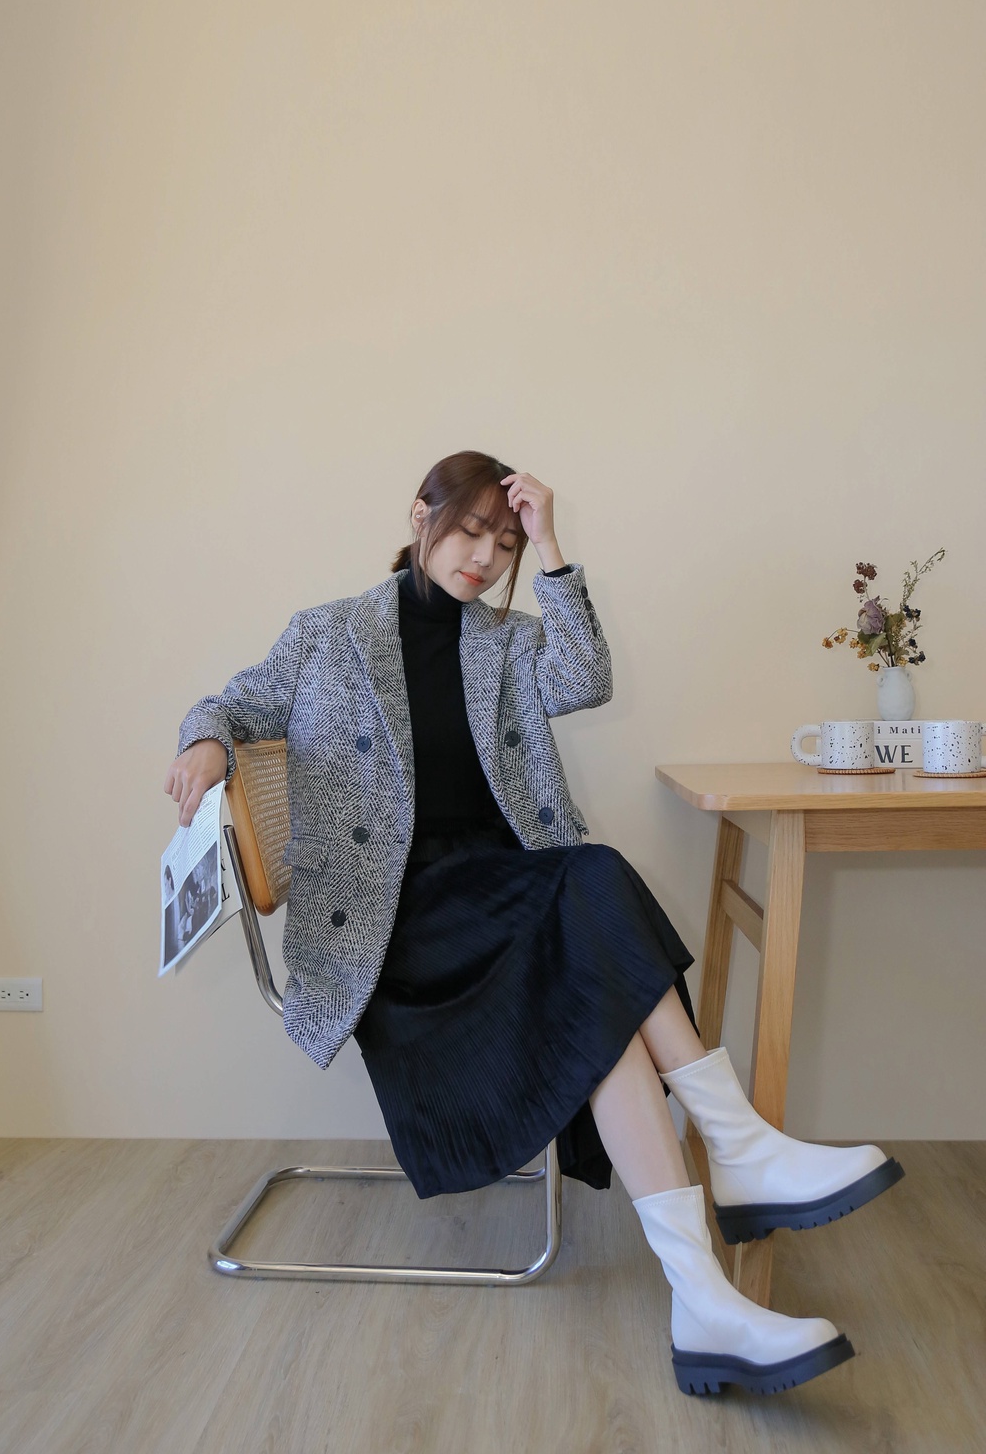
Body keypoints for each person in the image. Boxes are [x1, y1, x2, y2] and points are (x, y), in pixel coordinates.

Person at [164, 450, 904, 1397]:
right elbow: (231, 702)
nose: (484, 557)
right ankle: (737, 1151)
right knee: (592, 886)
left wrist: (553, 545)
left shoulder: (506, 640)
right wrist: (205, 739)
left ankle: (704, 1296)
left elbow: (585, 678)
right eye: (471, 531)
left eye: (505, 543)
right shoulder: (326, 634)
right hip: (398, 930)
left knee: (598, 997)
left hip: (502, 898)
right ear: (421, 516)